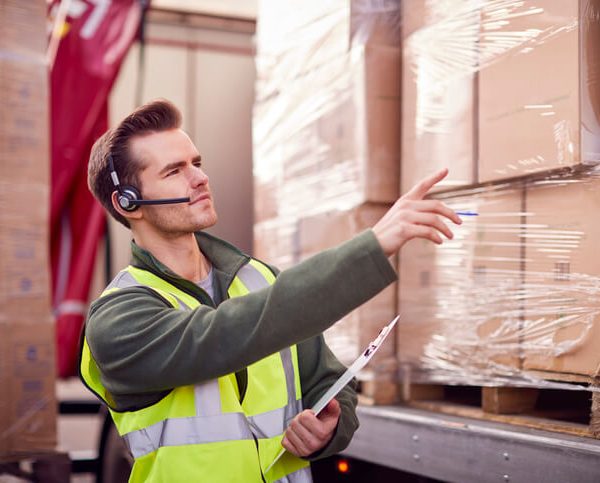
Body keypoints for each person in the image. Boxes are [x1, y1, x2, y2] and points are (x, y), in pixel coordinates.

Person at [81, 99, 461, 483]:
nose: (199, 178)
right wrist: (372, 248)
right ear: (128, 204)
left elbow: (326, 379)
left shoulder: (260, 278)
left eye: (196, 163)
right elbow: (224, 334)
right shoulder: (118, 320)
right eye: (174, 171)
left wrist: (329, 423)